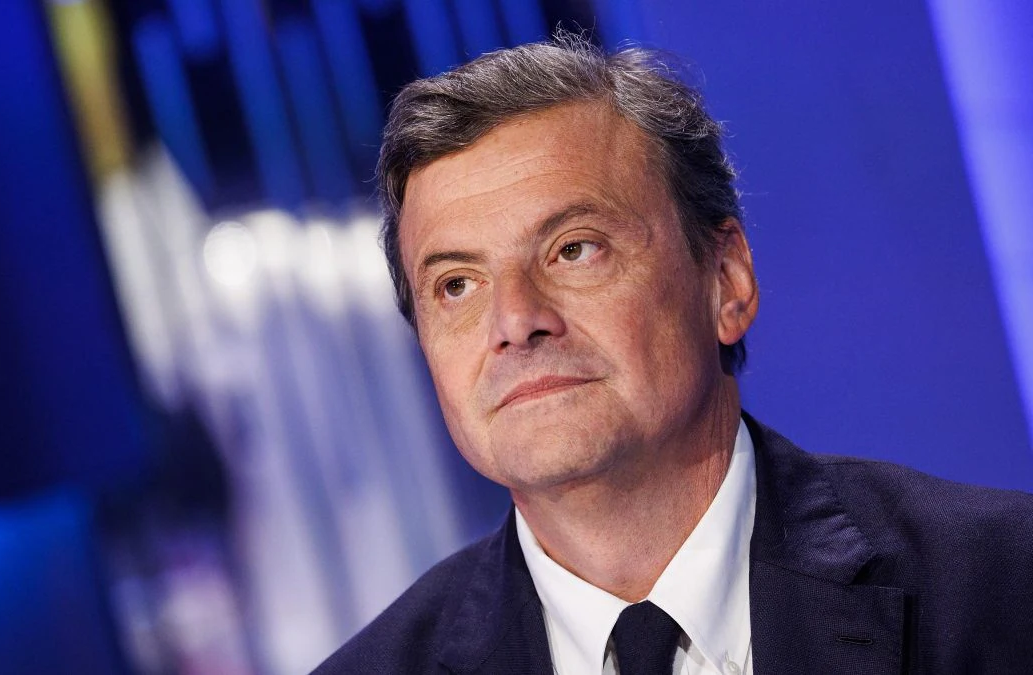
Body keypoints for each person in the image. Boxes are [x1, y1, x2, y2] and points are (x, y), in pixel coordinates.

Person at [314, 34, 1033, 674]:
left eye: (574, 249)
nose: (515, 321)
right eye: (457, 285)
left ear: (727, 279)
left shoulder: (1006, 585)